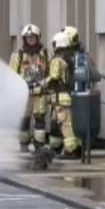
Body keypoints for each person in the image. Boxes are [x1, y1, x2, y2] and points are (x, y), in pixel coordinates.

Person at [8, 24, 49, 152]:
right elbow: (12, 74)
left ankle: (39, 146)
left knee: (40, 120)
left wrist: (45, 83)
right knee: (24, 120)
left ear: (38, 37)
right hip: (24, 94)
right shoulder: (18, 55)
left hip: (40, 94)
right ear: (24, 39)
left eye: (33, 37)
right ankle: (24, 144)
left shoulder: (45, 53)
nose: (31, 39)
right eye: (28, 37)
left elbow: (50, 71)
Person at [45, 30, 80, 159]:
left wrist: (43, 82)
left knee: (65, 124)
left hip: (61, 97)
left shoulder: (57, 60)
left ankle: (71, 150)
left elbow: (54, 76)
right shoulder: (70, 58)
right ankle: (61, 146)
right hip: (68, 96)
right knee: (61, 122)